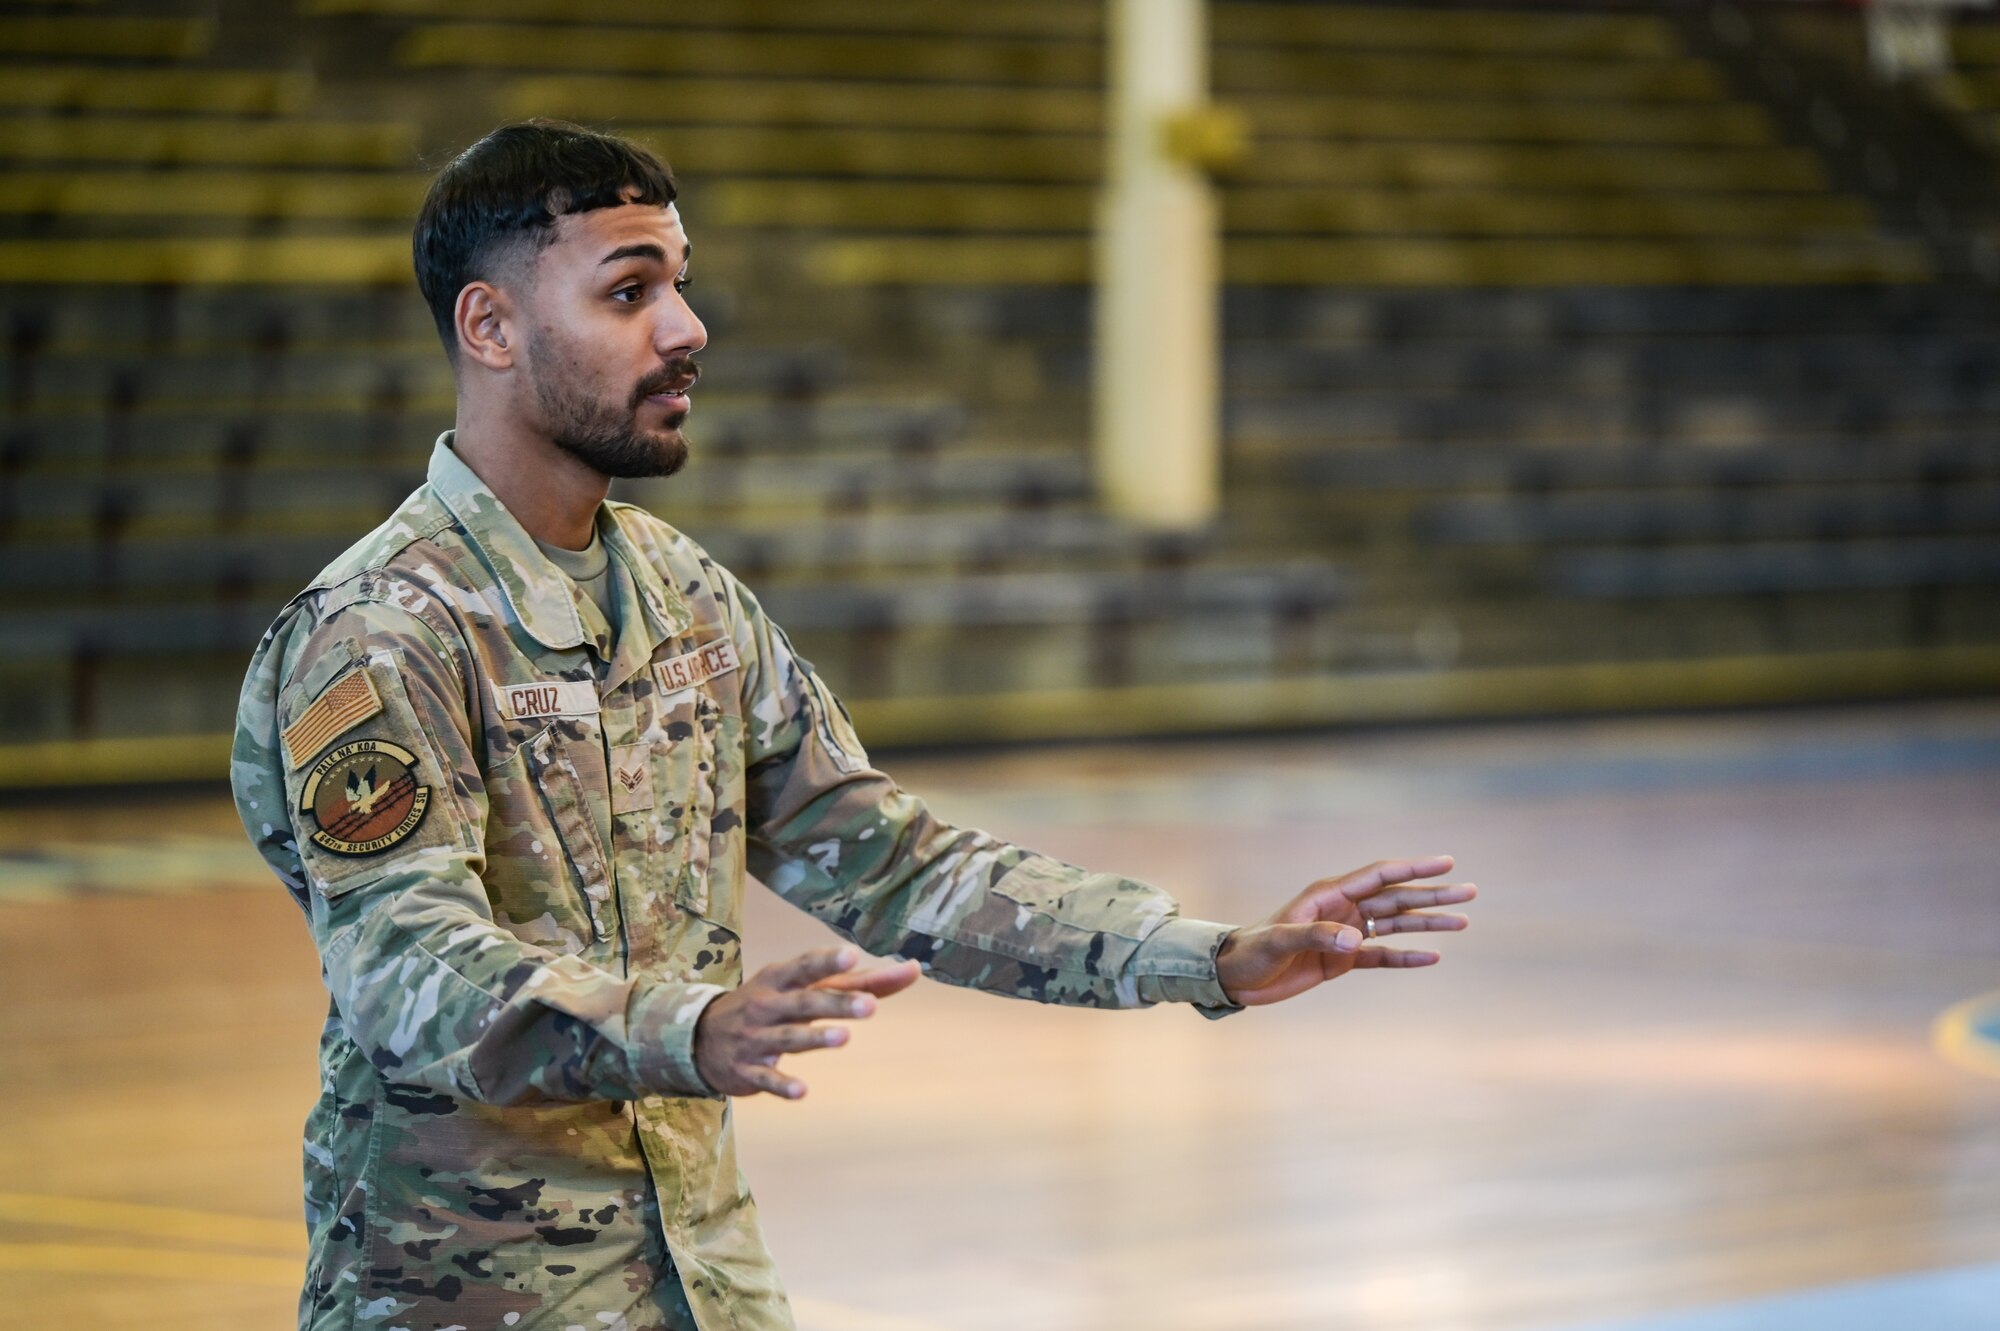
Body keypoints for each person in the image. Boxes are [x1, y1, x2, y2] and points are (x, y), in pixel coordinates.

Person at [230, 119, 1477, 1331]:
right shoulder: (381, 629)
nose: (685, 329)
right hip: (470, 1289)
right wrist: (690, 1025)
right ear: (489, 327)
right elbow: (404, 960)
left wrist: (1204, 956)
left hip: (700, 1276)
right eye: (628, 293)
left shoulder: (682, 599)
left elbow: (894, 861)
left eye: (680, 284)